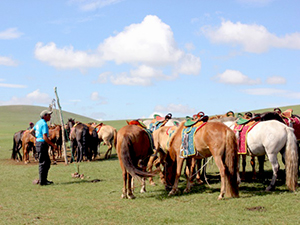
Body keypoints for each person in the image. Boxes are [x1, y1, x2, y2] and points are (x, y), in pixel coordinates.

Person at [30, 110, 57, 186]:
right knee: (43, 163)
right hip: (42, 144)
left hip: (39, 143)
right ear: (45, 116)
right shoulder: (44, 124)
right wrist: (53, 145)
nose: (50, 116)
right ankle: (42, 182)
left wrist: (37, 137)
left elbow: (31, 131)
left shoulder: (38, 123)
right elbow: (45, 137)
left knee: (47, 162)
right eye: (49, 115)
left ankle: (44, 180)